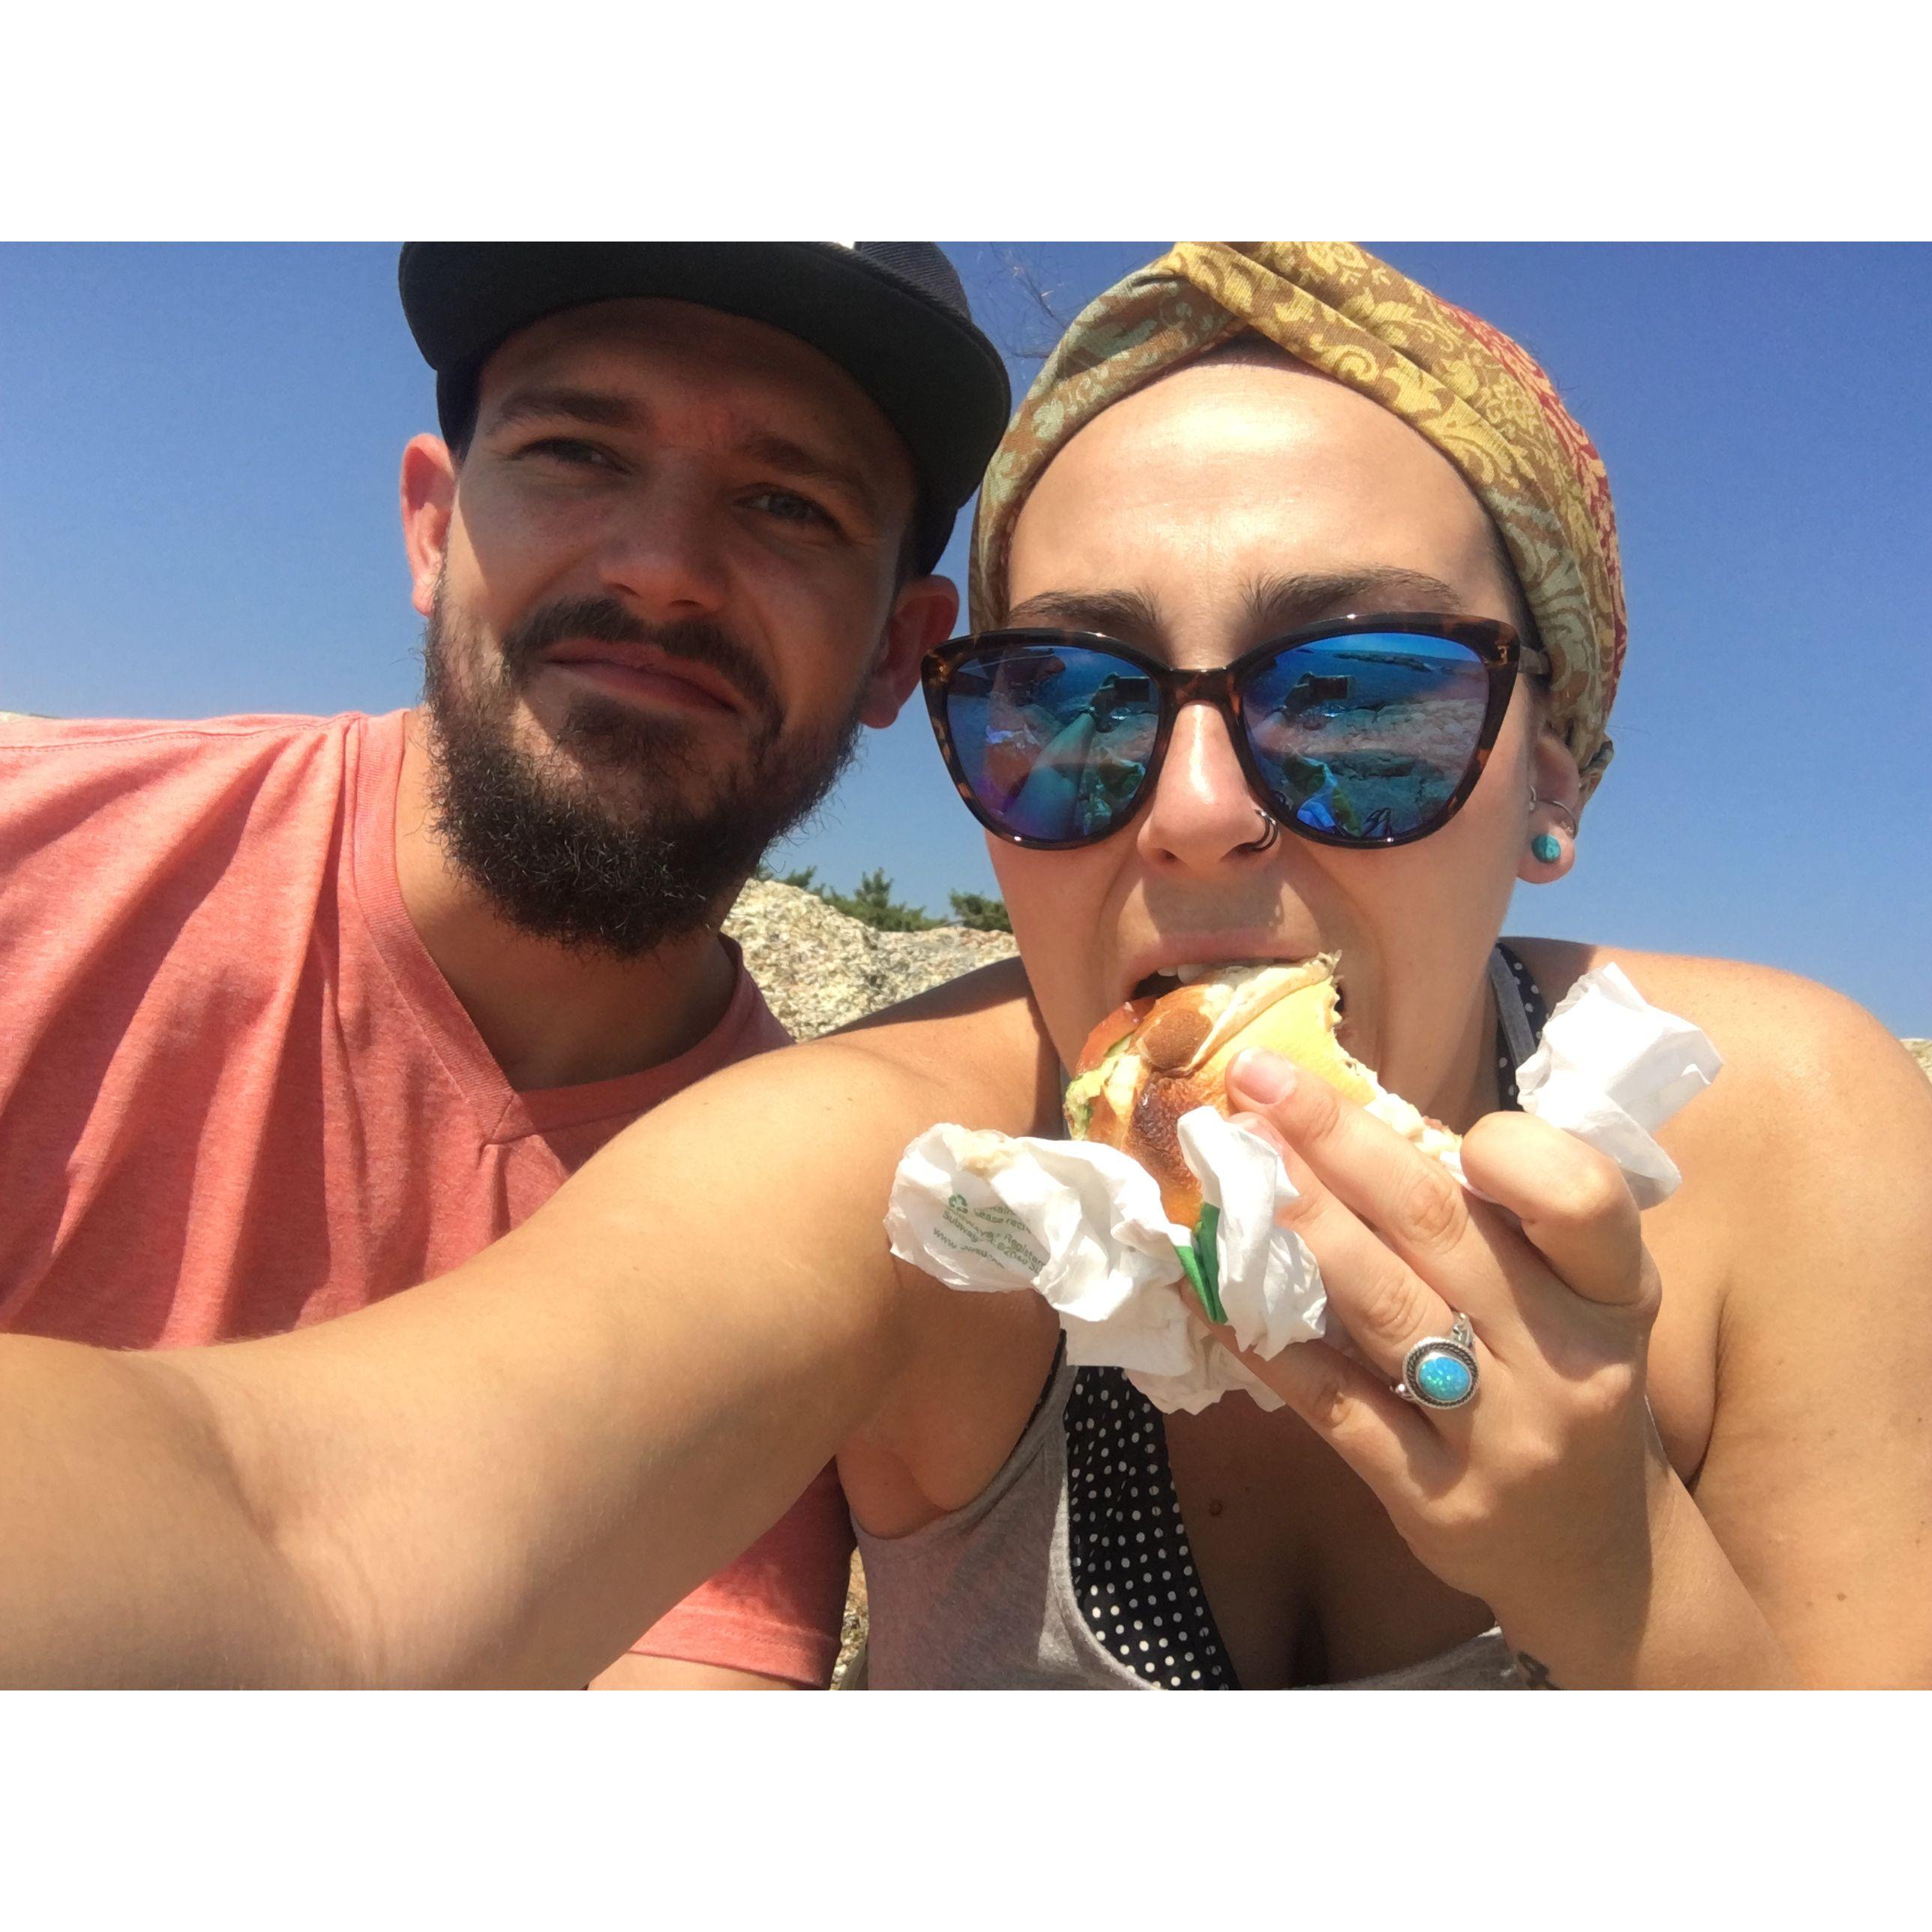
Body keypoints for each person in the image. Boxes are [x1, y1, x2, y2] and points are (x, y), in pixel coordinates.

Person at [2, 242, 1928, 1688]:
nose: (1190, 812)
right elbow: (303, 1534)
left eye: (1354, 701)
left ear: (1550, 778)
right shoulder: (909, 1179)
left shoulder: (1795, 1137)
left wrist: (1630, 1585)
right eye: (1070, 709)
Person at [0, 241, 1010, 1688]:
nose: (661, 570)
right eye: (576, 450)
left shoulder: (815, 1247)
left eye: (789, 504)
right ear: (431, 525)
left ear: (899, 654)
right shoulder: (34, 858)